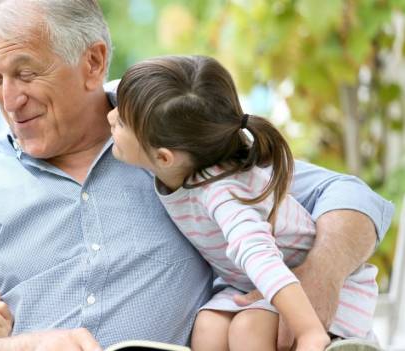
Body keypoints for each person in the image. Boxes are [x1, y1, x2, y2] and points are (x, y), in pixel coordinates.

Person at [0, 1, 393, 350]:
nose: (10, 100)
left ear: (92, 63)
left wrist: (319, 274)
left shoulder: (172, 142)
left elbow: (349, 195)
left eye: (27, 74)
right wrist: (20, 348)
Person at [104, 55, 380, 350]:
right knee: (208, 327)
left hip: (310, 289)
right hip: (252, 286)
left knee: (249, 329)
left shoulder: (223, 194)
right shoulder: (180, 154)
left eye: (121, 122)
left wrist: (309, 331)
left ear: (163, 157)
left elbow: (261, 257)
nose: (109, 117)